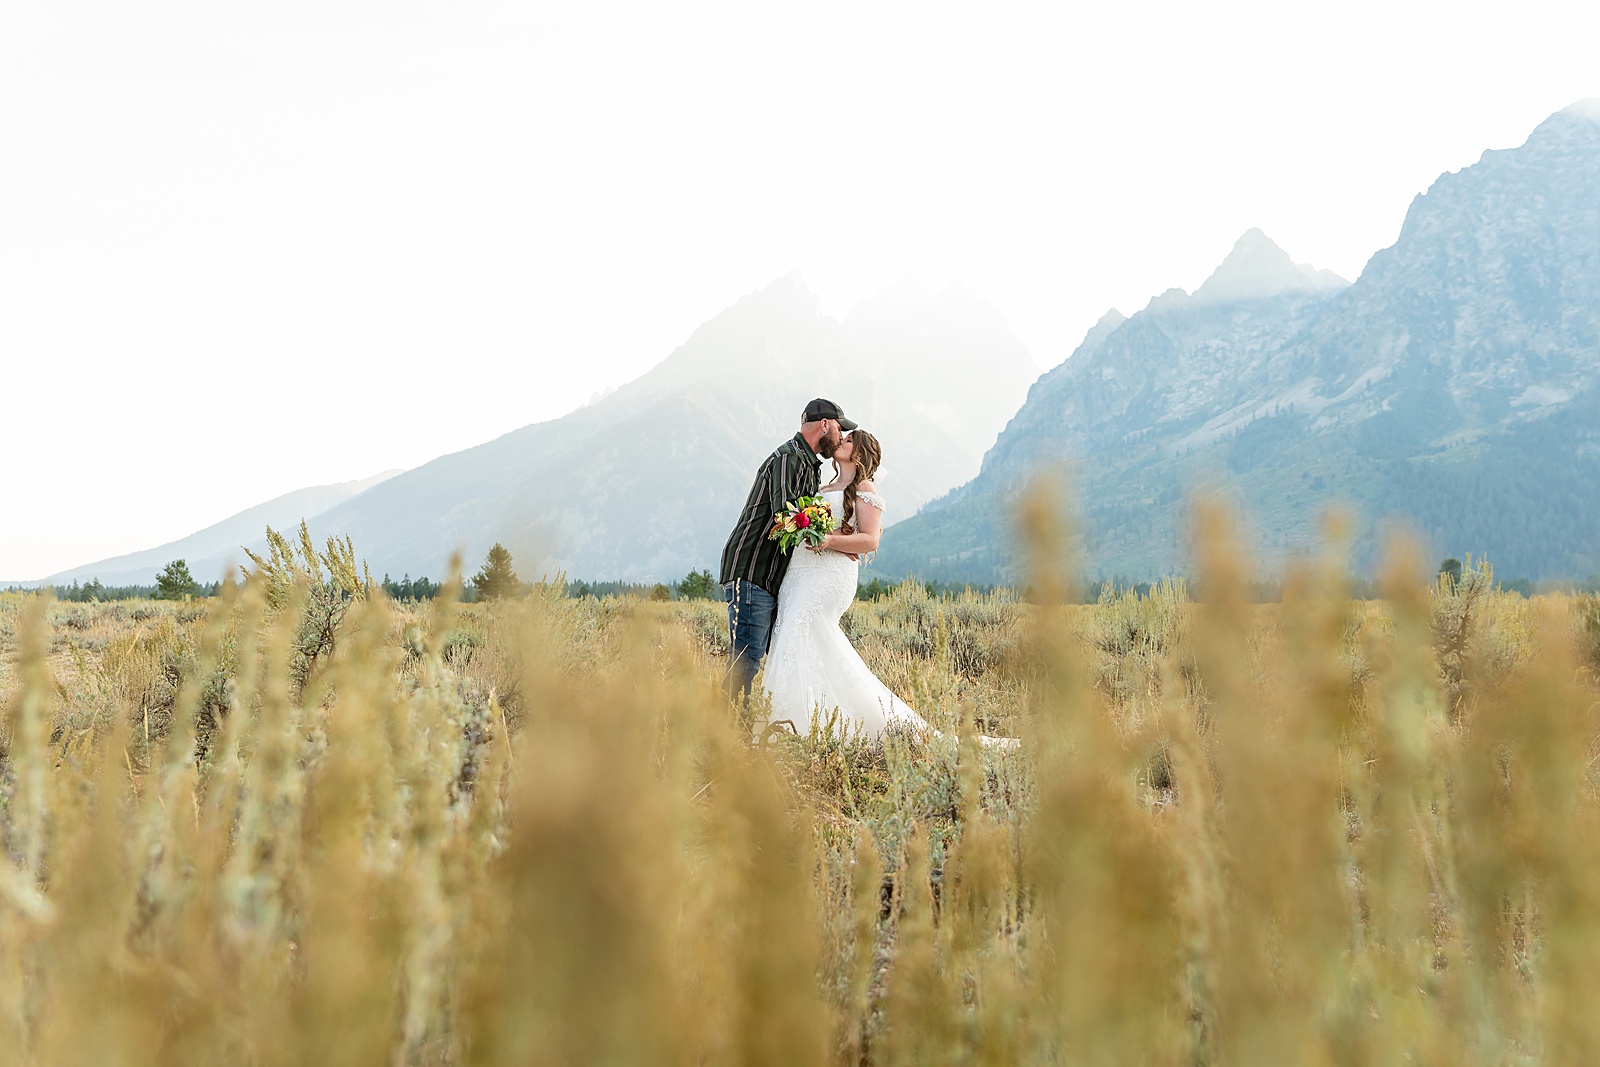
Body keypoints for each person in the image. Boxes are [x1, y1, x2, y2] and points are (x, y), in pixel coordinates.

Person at [760, 429, 1014, 747]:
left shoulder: (864, 489)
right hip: (799, 575)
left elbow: (869, 539)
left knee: (804, 628)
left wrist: (828, 540)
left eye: (849, 440)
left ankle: (827, 725)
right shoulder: (823, 487)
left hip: (828, 577)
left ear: (860, 453)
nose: (841, 441)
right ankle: (800, 722)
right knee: (794, 635)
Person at [719, 398, 855, 700]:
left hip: (771, 576)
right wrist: (834, 539)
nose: (840, 435)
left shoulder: (810, 466)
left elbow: (803, 520)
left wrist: (837, 541)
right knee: (747, 656)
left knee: (763, 655)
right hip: (753, 568)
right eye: (838, 428)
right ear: (824, 425)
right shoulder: (789, 458)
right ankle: (725, 733)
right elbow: (788, 516)